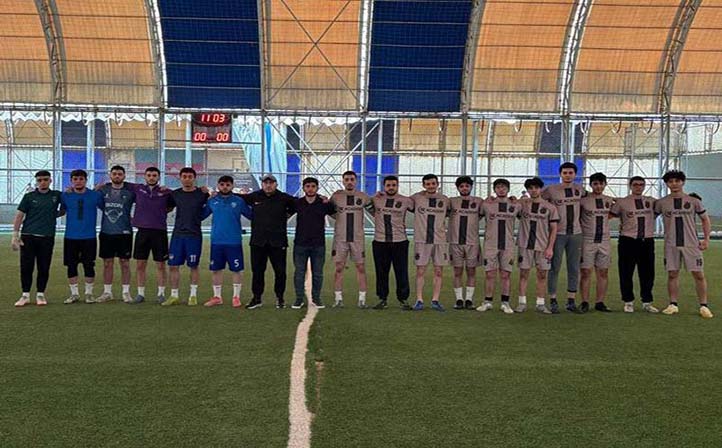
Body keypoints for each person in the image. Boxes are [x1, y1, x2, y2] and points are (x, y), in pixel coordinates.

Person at [654, 170, 713, 318]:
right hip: (671, 244)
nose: (674, 184)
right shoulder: (661, 203)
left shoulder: (694, 201)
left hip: (691, 244)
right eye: (670, 181)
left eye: (677, 181)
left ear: (683, 182)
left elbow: (705, 219)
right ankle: (673, 304)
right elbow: (649, 219)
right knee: (672, 274)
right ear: (666, 184)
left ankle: (704, 306)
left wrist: (706, 239)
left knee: (699, 274)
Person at [240, 174, 296, 309]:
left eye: (271, 183)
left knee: (280, 272)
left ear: (276, 184)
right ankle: (257, 298)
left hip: (278, 242)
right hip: (258, 242)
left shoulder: (284, 198)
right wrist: (213, 193)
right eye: (266, 183)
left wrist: (288, 214)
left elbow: (299, 204)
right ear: (262, 184)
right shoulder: (255, 196)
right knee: (257, 272)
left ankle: (280, 298)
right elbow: (237, 197)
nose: (268, 185)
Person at [12, 170, 63, 307]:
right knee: (26, 267)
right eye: (39, 180)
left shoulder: (57, 195)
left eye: (45, 179)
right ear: (36, 182)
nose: (42, 182)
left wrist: (51, 215)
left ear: (50, 181)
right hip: (28, 236)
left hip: (47, 237)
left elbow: (64, 209)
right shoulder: (29, 197)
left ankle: (40, 294)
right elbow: (19, 215)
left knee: (44, 266)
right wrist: (15, 235)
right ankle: (25, 295)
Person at [610, 176, 659, 313]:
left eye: (641, 185)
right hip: (627, 241)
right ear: (630, 186)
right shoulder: (622, 202)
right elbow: (608, 216)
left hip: (647, 241)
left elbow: (667, 205)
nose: (638, 187)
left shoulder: (652, 202)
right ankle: (628, 301)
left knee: (648, 273)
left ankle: (647, 302)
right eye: (635, 184)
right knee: (626, 272)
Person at [542, 162, 586, 313]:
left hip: (576, 234)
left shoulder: (580, 189)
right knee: (554, 267)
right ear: (560, 174)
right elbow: (536, 199)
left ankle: (571, 301)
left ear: (575, 174)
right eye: (565, 173)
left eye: (570, 173)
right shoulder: (551, 190)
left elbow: (593, 198)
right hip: (557, 235)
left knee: (574, 268)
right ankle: (553, 300)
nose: (568, 175)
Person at [203, 175, 253, 307]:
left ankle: (236, 297)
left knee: (237, 270)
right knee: (216, 269)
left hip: (234, 241)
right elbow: (201, 215)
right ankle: (217, 297)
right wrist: (205, 199)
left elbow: (251, 215)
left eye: (228, 185)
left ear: (232, 186)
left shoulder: (239, 201)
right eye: (222, 184)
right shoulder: (212, 201)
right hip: (216, 241)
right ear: (218, 186)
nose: (225, 187)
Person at [129, 166, 175, 304]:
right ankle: (140, 294)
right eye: (149, 175)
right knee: (140, 264)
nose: (151, 177)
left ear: (158, 177)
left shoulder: (166, 192)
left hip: (159, 232)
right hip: (142, 232)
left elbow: (171, 206)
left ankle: (161, 293)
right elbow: (118, 184)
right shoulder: (138, 189)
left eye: (154, 175)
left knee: (160, 265)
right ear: (145, 176)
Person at [165, 167, 209, 306]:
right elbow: (166, 208)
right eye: (184, 176)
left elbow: (211, 205)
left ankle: (193, 295)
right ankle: (174, 295)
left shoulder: (202, 194)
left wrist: (209, 193)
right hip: (178, 235)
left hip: (194, 235)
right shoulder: (175, 194)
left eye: (190, 177)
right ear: (180, 178)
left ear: (194, 178)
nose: (187, 179)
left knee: (193, 266)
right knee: (173, 266)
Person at [369, 175, 413, 310]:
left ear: (397, 186)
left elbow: (419, 207)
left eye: (394, 185)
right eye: (388, 185)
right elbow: (367, 206)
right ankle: (382, 299)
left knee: (401, 271)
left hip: (400, 241)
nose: (391, 187)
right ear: (384, 186)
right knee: (381, 272)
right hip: (380, 242)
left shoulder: (406, 200)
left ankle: (403, 299)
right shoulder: (376, 199)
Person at [60, 169, 104, 304]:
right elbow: (61, 211)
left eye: (81, 179)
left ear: (86, 180)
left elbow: (107, 208)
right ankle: (74, 294)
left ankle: (89, 294)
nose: (78, 181)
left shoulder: (95, 195)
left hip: (89, 237)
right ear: (71, 181)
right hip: (70, 237)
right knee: (71, 266)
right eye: (75, 179)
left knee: (89, 266)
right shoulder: (65, 196)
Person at [329, 170, 372, 308]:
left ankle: (362, 300)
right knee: (339, 267)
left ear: (356, 181)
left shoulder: (363, 197)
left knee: (361, 267)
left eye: (352, 179)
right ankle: (338, 299)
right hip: (340, 238)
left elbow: (375, 211)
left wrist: (379, 196)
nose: (349, 182)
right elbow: (329, 211)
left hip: (357, 239)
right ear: (343, 181)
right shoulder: (336, 196)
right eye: (346, 179)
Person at [517, 177, 559, 314]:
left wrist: (550, 247)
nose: (533, 190)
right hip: (525, 245)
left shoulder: (550, 207)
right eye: (530, 188)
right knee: (523, 274)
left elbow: (554, 229)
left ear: (541, 189)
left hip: (542, 246)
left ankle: (540, 304)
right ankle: (522, 303)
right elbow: (507, 204)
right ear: (527, 190)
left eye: (536, 188)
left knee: (542, 275)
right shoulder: (522, 204)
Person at [291, 177, 335, 309]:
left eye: (313, 186)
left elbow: (336, 214)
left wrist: (329, 201)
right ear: (303, 188)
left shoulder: (324, 203)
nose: (310, 189)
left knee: (318, 273)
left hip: (318, 244)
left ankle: (316, 298)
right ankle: (299, 299)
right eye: (308, 186)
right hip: (300, 244)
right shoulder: (297, 203)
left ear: (317, 188)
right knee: (299, 272)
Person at [95, 165, 135, 303]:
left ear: (124, 176)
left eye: (119, 174)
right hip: (107, 232)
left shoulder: (131, 191)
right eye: (114, 174)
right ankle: (107, 292)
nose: (117, 176)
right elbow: (95, 201)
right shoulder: (103, 190)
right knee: (107, 263)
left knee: (125, 263)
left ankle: (126, 292)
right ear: (110, 175)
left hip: (124, 232)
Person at [410, 174, 450, 311]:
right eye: (428, 184)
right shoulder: (416, 198)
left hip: (440, 241)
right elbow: (402, 201)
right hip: (422, 240)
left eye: (433, 183)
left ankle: (435, 300)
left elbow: (450, 213)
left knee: (438, 271)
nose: (431, 186)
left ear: (437, 184)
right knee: (420, 271)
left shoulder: (445, 200)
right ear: (423, 185)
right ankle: (419, 300)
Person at [478, 178, 517, 314]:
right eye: (498, 187)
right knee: (490, 274)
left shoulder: (516, 205)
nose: (501, 189)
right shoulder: (486, 204)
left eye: (504, 187)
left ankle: (505, 303)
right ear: (494, 189)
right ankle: (487, 302)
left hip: (508, 245)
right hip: (491, 244)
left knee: (505, 274)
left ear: (508, 189)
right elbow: (476, 217)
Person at [578, 173, 615, 313]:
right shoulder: (583, 201)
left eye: (601, 183)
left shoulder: (609, 200)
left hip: (604, 240)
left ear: (605, 184)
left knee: (603, 272)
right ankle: (584, 302)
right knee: (586, 271)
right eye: (595, 184)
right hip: (587, 240)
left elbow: (615, 213)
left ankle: (600, 302)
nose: (598, 186)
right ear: (591, 185)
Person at [448, 176, 483, 310]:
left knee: (471, 271)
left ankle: (468, 299)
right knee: (457, 271)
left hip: (472, 243)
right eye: (461, 186)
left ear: (471, 187)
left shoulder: (479, 202)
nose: (464, 188)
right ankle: (459, 299)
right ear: (458, 188)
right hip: (455, 242)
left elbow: (486, 211)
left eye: (467, 186)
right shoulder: (451, 202)